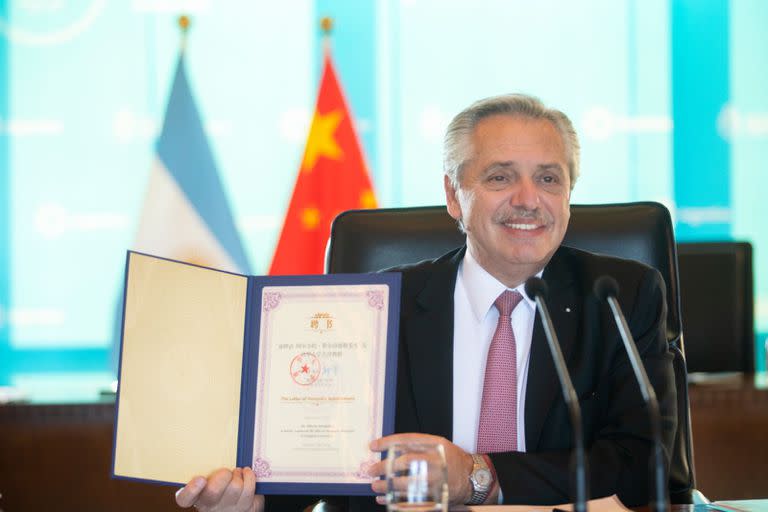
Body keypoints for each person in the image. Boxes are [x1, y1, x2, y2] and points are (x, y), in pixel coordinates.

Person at [174, 94, 678, 512]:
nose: (528, 199)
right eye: (500, 177)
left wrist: (478, 476)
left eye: (549, 178)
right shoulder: (378, 308)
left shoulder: (620, 297)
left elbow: (645, 464)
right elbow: (322, 464)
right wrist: (252, 501)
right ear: (455, 196)